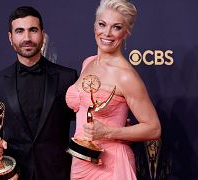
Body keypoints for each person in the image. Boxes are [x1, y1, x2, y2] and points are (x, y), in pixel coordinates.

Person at [65, 0, 161, 179]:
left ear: (127, 32)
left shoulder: (126, 76)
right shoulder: (89, 62)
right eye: (102, 24)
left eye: (116, 27)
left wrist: (109, 132)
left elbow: (153, 128)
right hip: (81, 162)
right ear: (95, 26)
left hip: (111, 166)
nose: (106, 33)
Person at [0, 6, 78, 180]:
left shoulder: (67, 77)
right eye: (19, 31)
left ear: (42, 35)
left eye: (33, 30)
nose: (27, 38)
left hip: (56, 172)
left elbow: (84, 123)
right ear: (10, 38)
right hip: (14, 173)